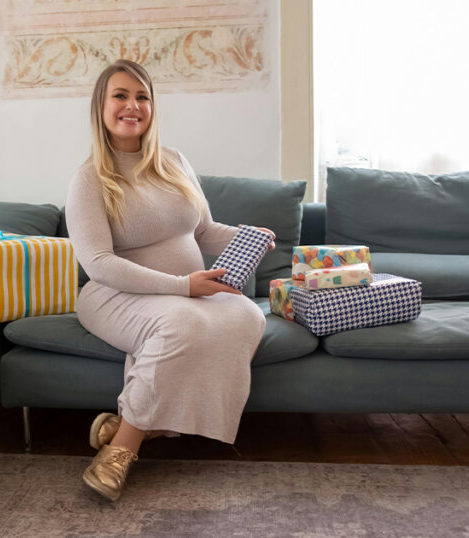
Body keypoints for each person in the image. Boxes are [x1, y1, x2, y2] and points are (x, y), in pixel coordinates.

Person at [66, 59, 272, 501]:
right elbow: (98, 262)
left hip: (184, 289)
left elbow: (202, 231)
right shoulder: (89, 179)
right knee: (182, 322)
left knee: (246, 315)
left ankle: (141, 423)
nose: (133, 106)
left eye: (142, 97)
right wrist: (184, 285)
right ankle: (121, 450)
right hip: (113, 294)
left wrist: (249, 235)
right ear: (101, 106)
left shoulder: (174, 161)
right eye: (120, 95)